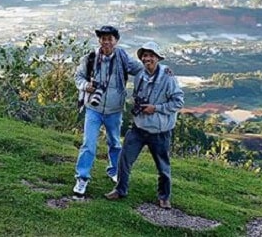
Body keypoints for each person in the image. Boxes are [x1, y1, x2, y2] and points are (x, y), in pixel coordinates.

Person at [105, 41, 184, 210]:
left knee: (163, 167)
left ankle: (164, 197)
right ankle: (120, 190)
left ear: (157, 58)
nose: (147, 58)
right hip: (139, 127)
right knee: (124, 159)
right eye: (145, 56)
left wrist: (156, 108)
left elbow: (178, 102)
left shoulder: (168, 77)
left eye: (151, 56)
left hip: (160, 131)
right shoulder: (140, 75)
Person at [73, 25, 143, 198]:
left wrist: (162, 72)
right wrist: (85, 86)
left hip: (114, 110)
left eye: (109, 38)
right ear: (99, 40)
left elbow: (142, 69)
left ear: (116, 41)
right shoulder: (90, 58)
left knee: (115, 143)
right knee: (88, 144)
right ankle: (82, 178)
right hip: (93, 109)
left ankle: (114, 171)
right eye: (103, 38)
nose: (106, 42)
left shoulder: (123, 58)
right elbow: (78, 77)